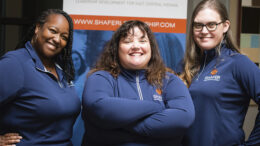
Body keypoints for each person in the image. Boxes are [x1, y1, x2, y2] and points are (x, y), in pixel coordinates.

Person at [81, 20, 195, 145]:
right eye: (128, 41)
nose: (136, 46)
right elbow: (99, 108)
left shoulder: (170, 80)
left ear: (151, 47)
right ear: (116, 48)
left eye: (142, 41)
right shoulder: (100, 78)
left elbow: (183, 118)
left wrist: (116, 124)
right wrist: (157, 107)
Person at [180, 0, 260, 145]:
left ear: (225, 26)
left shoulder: (238, 63)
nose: (204, 31)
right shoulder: (187, 65)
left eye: (211, 24)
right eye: (198, 25)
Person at [0, 9, 81, 145]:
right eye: (53, 31)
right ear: (38, 28)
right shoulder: (14, 63)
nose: (57, 39)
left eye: (64, 37)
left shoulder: (61, 69)